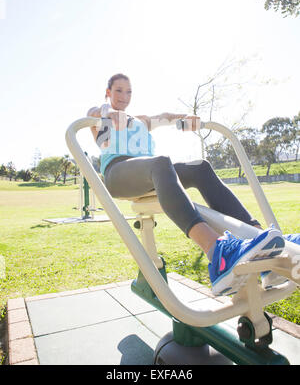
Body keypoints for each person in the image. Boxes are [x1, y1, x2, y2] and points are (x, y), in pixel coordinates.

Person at [87, 73, 295, 296]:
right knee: (161, 162)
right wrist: (110, 113)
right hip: (118, 173)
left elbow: (164, 117)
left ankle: (262, 241)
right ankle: (217, 252)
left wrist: (185, 118)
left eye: (128, 92)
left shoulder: (139, 121)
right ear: (108, 92)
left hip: (150, 174)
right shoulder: (99, 114)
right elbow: (99, 118)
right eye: (118, 90)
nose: (124, 96)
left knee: (200, 167)